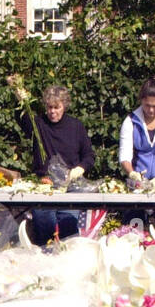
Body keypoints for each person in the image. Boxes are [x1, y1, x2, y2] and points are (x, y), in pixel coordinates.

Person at [20, 85, 95, 246]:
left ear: (64, 106)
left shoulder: (76, 126)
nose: (53, 111)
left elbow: (89, 156)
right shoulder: (39, 124)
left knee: (68, 229)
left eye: (57, 107)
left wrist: (80, 168)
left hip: (71, 186)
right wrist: (21, 99)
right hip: (45, 186)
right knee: (44, 227)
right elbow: (23, 119)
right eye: (49, 107)